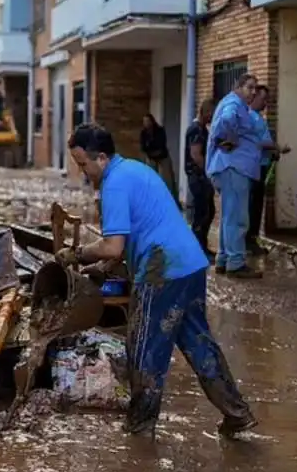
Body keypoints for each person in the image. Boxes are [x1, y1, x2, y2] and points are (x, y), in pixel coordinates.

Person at [62, 123, 257, 438]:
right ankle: (238, 413)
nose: (83, 172)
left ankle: (139, 429)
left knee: (143, 347)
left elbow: (113, 245)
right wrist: (104, 267)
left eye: (83, 164)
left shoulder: (113, 185)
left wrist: (77, 254)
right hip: (190, 264)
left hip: (162, 268)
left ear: (100, 158)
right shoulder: (135, 170)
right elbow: (134, 237)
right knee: (198, 343)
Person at [207, 73, 262, 278]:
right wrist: (227, 138)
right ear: (238, 87)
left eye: (255, 89)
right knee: (238, 218)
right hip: (233, 168)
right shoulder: (234, 104)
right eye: (250, 87)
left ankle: (224, 259)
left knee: (229, 216)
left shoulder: (233, 103)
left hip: (230, 168)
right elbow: (227, 121)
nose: (253, 92)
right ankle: (236, 262)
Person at [248, 85, 290, 255]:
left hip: (262, 164)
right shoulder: (250, 118)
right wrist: (276, 147)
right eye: (263, 99)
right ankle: (249, 241)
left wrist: (273, 153)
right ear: (255, 97)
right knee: (253, 206)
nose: (266, 103)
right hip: (254, 167)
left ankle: (252, 239)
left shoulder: (258, 117)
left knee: (257, 205)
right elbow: (256, 142)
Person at [185, 99, 216, 257]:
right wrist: (208, 172)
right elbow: (196, 154)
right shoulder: (196, 130)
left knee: (207, 212)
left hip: (200, 176)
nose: (212, 118)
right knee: (202, 213)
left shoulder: (202, 129)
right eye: (211, 113)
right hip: (198, 177)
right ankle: (198, 249)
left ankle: (201, 246)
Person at [140, 114, 178, 204]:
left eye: (148, 121)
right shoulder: (143, 133)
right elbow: (143, 147)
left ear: (152, 121)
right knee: (150, 178)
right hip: (151, 157)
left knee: (167, 179)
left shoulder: (160, 130)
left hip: (162, 156)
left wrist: (151, 147)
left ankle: (171, 200)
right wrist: (150, 150)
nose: (146, 123)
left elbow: (161, 144)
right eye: (144, 122)